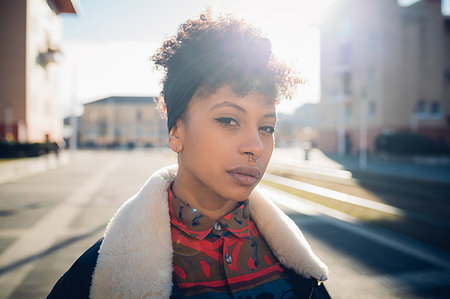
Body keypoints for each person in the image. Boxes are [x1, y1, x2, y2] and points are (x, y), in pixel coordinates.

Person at [47, 12, 330, 299]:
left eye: (267, 127)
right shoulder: (97, 274)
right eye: (228, 120)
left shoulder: (301, 268)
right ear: (176, 132)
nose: (255, 146)